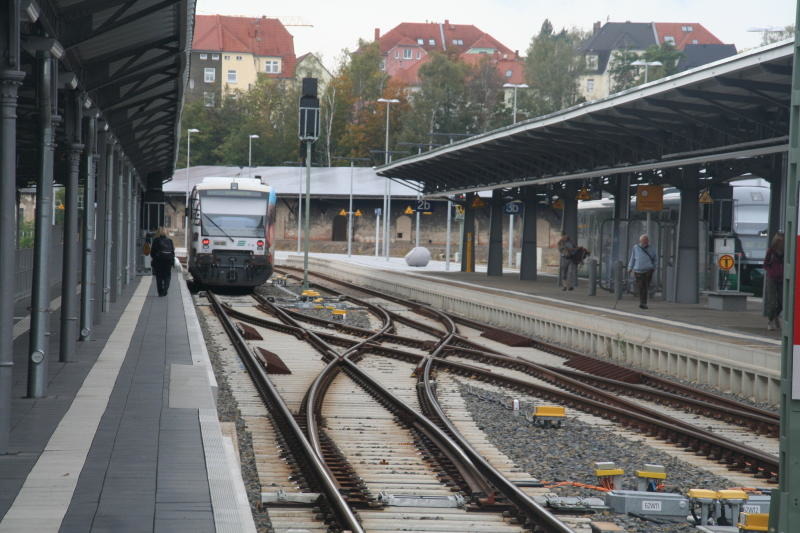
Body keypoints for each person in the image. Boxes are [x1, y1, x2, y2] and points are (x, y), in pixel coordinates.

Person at [628, 234, 657, 310]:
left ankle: (643, 302)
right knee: (641, 287)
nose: (645, 242)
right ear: (640, 241)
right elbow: (632, 258)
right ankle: (642, 303)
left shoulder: (652, 248)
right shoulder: (636, 247)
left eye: (646, 240)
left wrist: (654, 267)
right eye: (644, 240)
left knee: (645, 286)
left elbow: (655, 259)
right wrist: (630, 267)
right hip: (638, 271)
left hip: (648, 271)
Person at [764, 232, 784, 331]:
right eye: (779, 240)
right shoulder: (771, 251)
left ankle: (775, 316)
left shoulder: (785, 252)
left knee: (782, 302)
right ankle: (770, 320)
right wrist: (771, 271)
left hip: (782, 278)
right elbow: (765, 264)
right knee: (772, 302)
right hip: (772, 278)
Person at [149, 227, 175, 297]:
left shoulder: (156, 240)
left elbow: (152, 252)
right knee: (167, 276)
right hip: (168, 262)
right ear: (166, 233)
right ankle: (165, 290)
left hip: (159, 261)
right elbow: (172, 252)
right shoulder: (170, 241)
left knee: (159, 277)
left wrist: (154, 258)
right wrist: (172, 262)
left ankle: (160, 292)